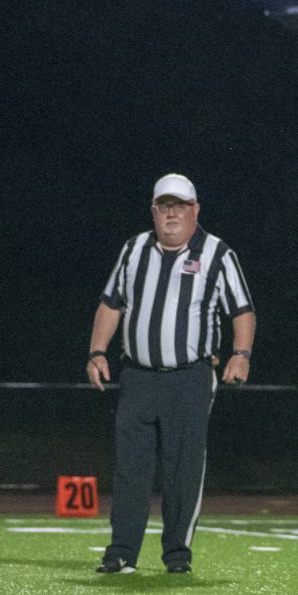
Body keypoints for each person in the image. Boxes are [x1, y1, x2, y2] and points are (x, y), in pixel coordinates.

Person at [86, 172, 255, 574]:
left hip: (189, 376)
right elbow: (111, 303)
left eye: (180, 206)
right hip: (138, 376)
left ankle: (177, 554)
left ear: (195, 211)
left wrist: (241, 353)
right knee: (130, 467)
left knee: (183, 467)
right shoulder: (134, 250)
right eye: (165, 206)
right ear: (154, 211)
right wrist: (96, 353)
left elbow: (242, 309)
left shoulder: (217, 253)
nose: (172, 214)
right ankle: (121, 551)